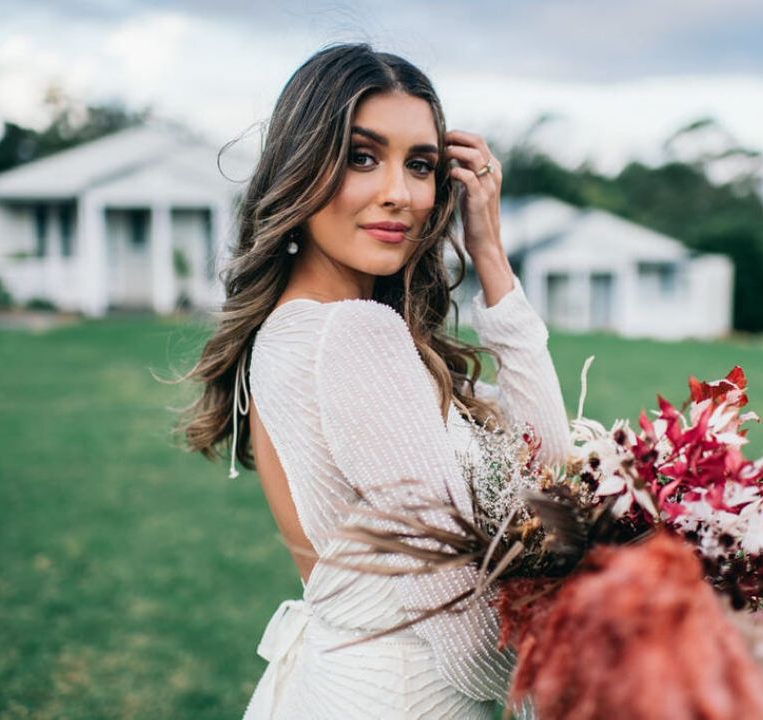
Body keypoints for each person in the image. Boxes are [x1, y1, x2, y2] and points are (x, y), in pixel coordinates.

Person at [175, 42, 570, 719]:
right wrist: (584, 675)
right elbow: (469, 637)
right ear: (301, 167)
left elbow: (546, 471)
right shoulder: (354, 338)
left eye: (420, 165)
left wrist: (490, 255)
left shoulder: (289, 329)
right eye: (363, 156)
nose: (400, 194)